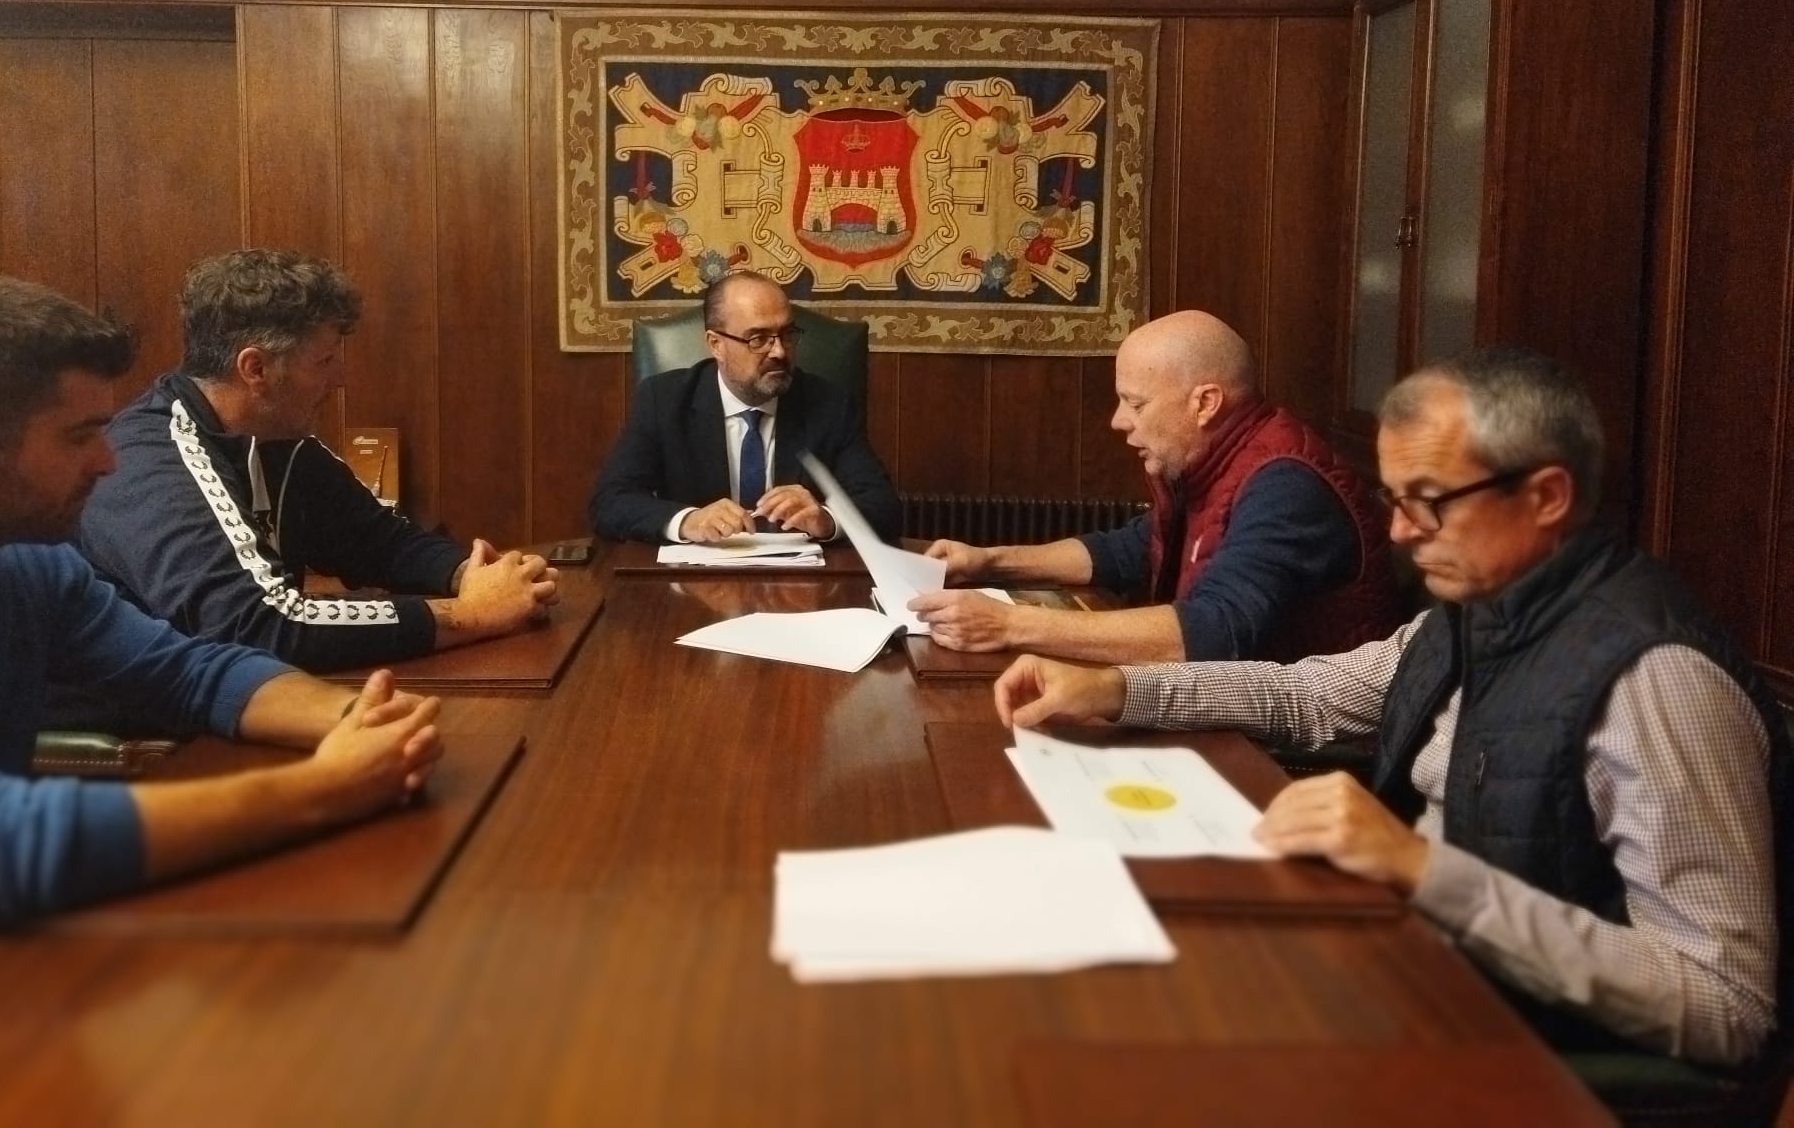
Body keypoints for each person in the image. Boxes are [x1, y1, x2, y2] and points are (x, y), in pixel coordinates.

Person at [996, 348, 1794, 1069]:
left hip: (1523, 1057)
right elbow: (1309, 693)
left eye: (1429, 502)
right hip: (1417, 972)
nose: (1402, 534)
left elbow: (1725, 1000)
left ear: (1547, 495)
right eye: (1394, 498)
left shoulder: (1654, 680)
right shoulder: (1474, 610)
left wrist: (1422, 871)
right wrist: (1119, 689)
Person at [0, 275, 448, 1019]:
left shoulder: (20, 560)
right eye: (79, 437)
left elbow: (190, 670)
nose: (108, 462)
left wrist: (355, 722)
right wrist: (326, 790)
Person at [77, 250, 556, 682]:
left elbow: (378, 541)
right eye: (325, 361)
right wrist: (468, 614)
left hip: (239, 699)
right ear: (256, 369)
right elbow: (257, 625)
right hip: (142, 732)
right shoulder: (150, 461)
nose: (340, 379)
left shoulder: (278, 438)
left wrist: (472, 574)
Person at [910, 309, 1397, 663]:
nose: (1119, 421)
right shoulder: (1217, 458)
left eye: (1136, 404)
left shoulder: (1287, 485)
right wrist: (989, 561)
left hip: (1286, 756)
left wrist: (1009, 624)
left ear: (1204, 403)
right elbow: (1132, 549)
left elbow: (1216, 631)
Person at [587, 271, 902, 544]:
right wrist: (687, 521)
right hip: (695, 586)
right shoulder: (664, 400)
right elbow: (610, 502)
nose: (779, 351)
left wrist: (827, 518)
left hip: (799, 585)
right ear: (716, 344)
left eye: (787, 334)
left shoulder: (829, 404)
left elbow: (883, 505)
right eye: (758, 338)